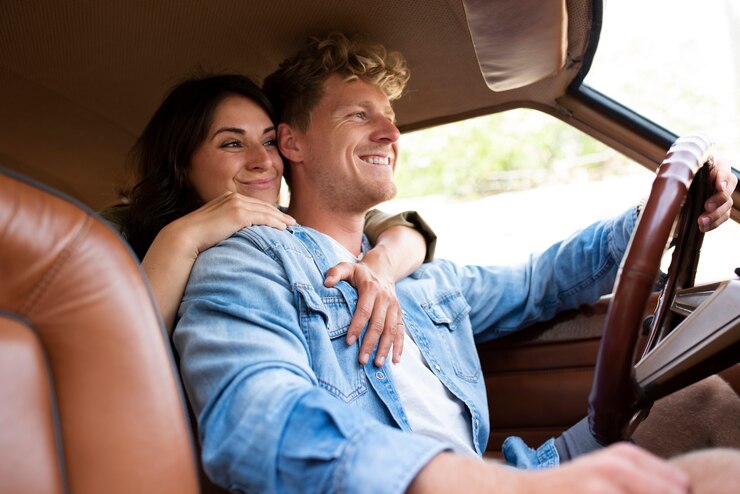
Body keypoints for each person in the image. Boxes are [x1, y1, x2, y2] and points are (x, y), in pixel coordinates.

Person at [174, 34, 739, 493]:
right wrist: (459, 479)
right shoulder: (247, 262)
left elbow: (541, 281)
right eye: (358, 115)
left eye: (391, 116)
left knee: (701, 401)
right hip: (451, 483)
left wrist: (654, 217)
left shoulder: (421, 275)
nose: (391, 132)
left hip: (515, 473)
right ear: (292, 143)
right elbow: (255, 417)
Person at [104, 74, 439, 366]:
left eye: (268, 141)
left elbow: (400, 227)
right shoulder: (118, 230)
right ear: (180, 163)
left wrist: (383, 262)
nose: (263, 160)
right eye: (233, 143)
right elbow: (117, 366)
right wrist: (184, 237)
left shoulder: (287, 224)